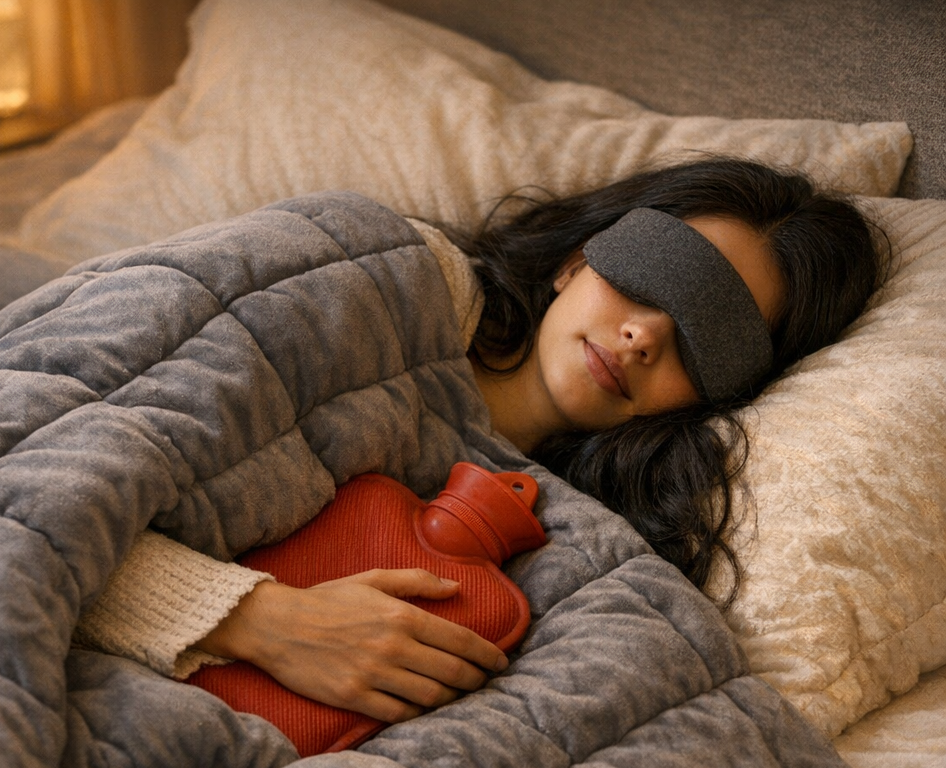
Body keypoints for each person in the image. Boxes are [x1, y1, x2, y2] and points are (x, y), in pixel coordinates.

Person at [78, 157, 889, 728]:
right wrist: (256, 621)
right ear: (579, 258)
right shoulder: (385, 286)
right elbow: (42, 473)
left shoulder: (579, 549)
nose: (644, 335)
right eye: (657, 280)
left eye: (709, 341)